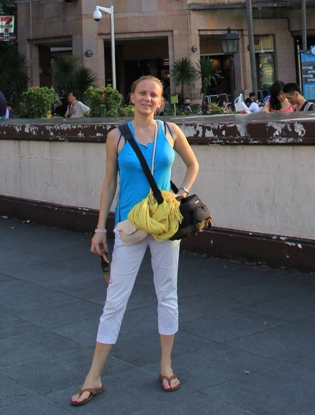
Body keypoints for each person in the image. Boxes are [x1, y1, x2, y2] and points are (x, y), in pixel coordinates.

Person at [71, 75, 199, 406]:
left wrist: (181, 192)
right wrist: (100, 227)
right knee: (115, 299)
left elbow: (193, 164)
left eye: (153, 94)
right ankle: (93, 375)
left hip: (165, 225)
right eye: (142, 93)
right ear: (131, 98)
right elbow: (109, 182)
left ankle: (166, 365)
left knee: (167, 294)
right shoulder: (116, 136)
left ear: (160, 101)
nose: (147, 98)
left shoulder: (171, 132)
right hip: (128, 225)